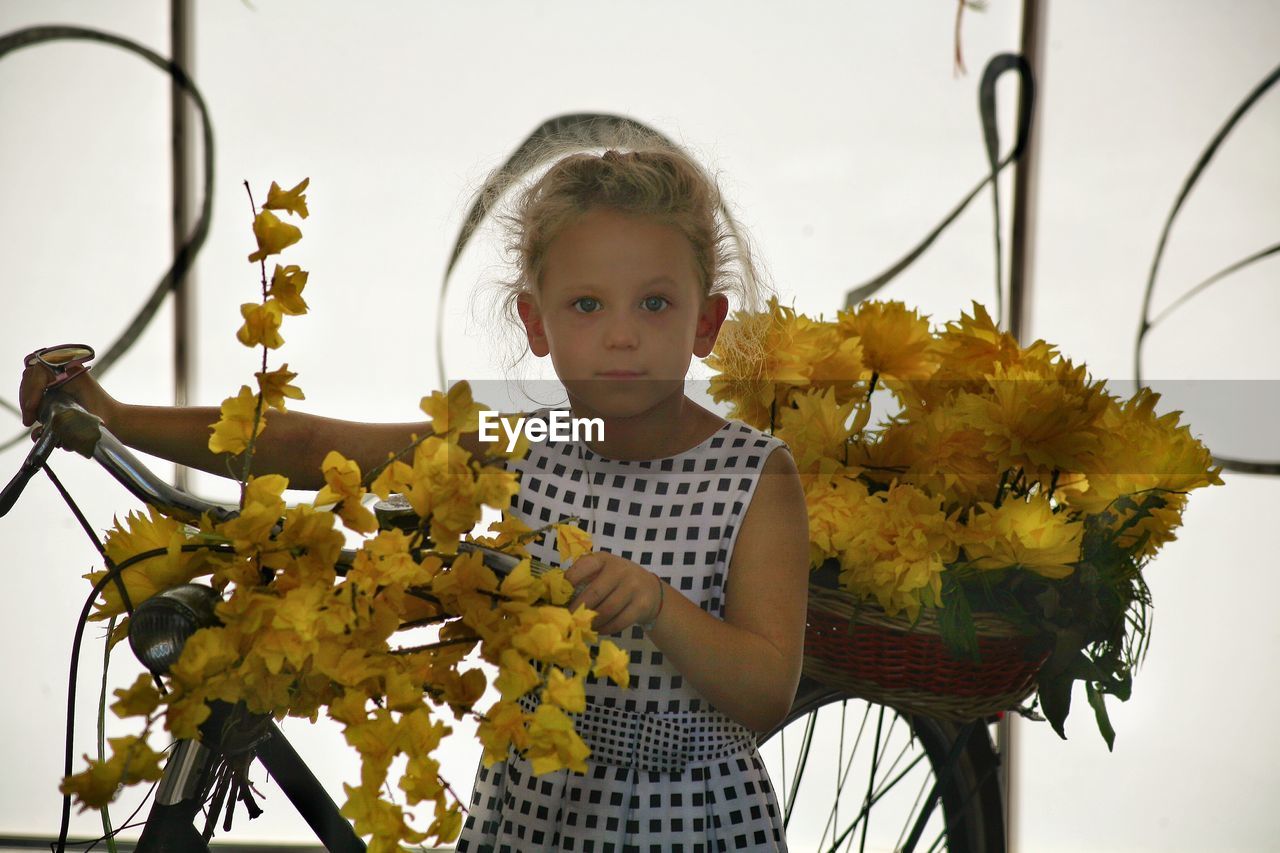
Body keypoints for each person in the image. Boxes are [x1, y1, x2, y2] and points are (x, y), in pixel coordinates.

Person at [20, 138, 810, 852]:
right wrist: (117, 418)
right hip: (534, 811)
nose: (622, 335)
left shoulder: (753, 475)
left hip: (696, 822)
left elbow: (769, 689)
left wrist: (659, 606)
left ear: (706, 324)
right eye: (587, 305)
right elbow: (305, 447)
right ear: (537, 325)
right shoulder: (512, 449)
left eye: (656, 303)